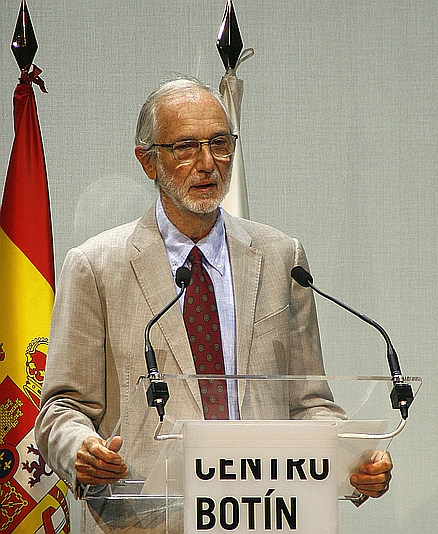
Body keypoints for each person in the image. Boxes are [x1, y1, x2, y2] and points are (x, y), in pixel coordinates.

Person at [35, 77, 392, 519]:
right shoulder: (96, 266)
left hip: (266, 515)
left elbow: (308, 403)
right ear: (148, 162)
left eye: (220, 144)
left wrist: (354, 462)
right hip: (146, 520)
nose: (208, 163)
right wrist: (81, 449)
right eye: (186, 147)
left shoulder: (282, 257)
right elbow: (61, 409)